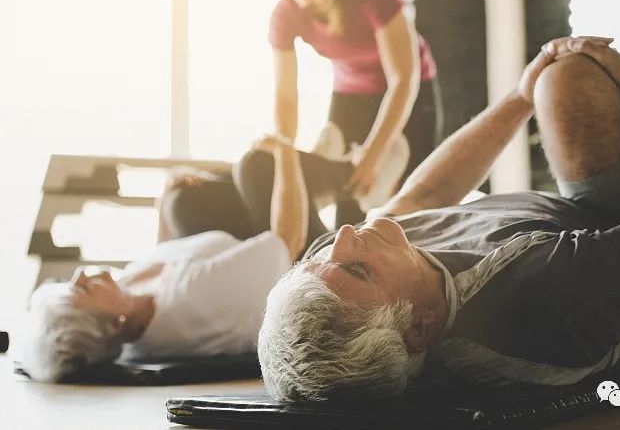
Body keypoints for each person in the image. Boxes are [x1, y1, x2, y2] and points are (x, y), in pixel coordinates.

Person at [258, 37, 620, 401]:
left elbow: (425, 192)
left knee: (549, 86)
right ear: (419, 330)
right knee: (573, 79)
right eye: (356, 268)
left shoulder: (387, 269)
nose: (343, 237)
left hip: (566, 227)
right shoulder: (534, 300)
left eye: (319, 258)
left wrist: (520, 96)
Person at [18, 137, 407, 383]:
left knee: (182, 200)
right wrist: (286, 153)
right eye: (85, 288)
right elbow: (285, 241)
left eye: (75, 279)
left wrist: (164, 201)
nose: (86, 274)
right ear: (113, 326)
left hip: (230, 249)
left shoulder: (131, 303)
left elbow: (162, 253)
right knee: (258, 165)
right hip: (297, 260)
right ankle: (358, 177)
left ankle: (339, 183)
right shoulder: (192, 302)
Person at [270, 0, 442, 226]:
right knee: (348, 199)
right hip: (350, 92)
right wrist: (285, 157)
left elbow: (403, 79)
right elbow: (285, 98)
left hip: (410, 90)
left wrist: (373, 156)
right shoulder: (285, 14)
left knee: (410, 199)